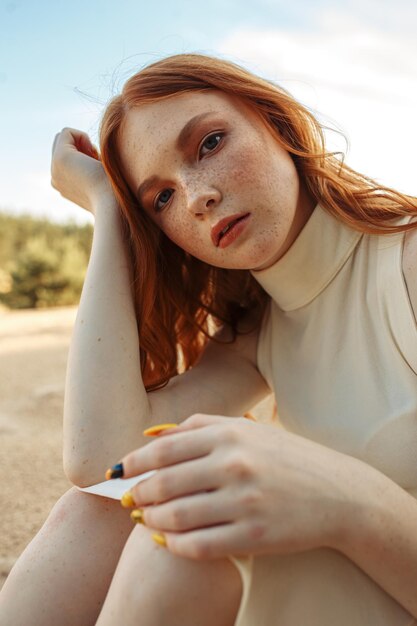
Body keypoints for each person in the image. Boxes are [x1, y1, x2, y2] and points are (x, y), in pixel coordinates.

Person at [1, 53, 417, 626]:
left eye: (210, 143)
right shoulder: (256, 335)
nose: (196, 196)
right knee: (99, 511)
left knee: (181, 541)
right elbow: (102, 459)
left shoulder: (408, 263)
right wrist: (108, 211)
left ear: (275, 121)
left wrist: (347, 496)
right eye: (162, 200)